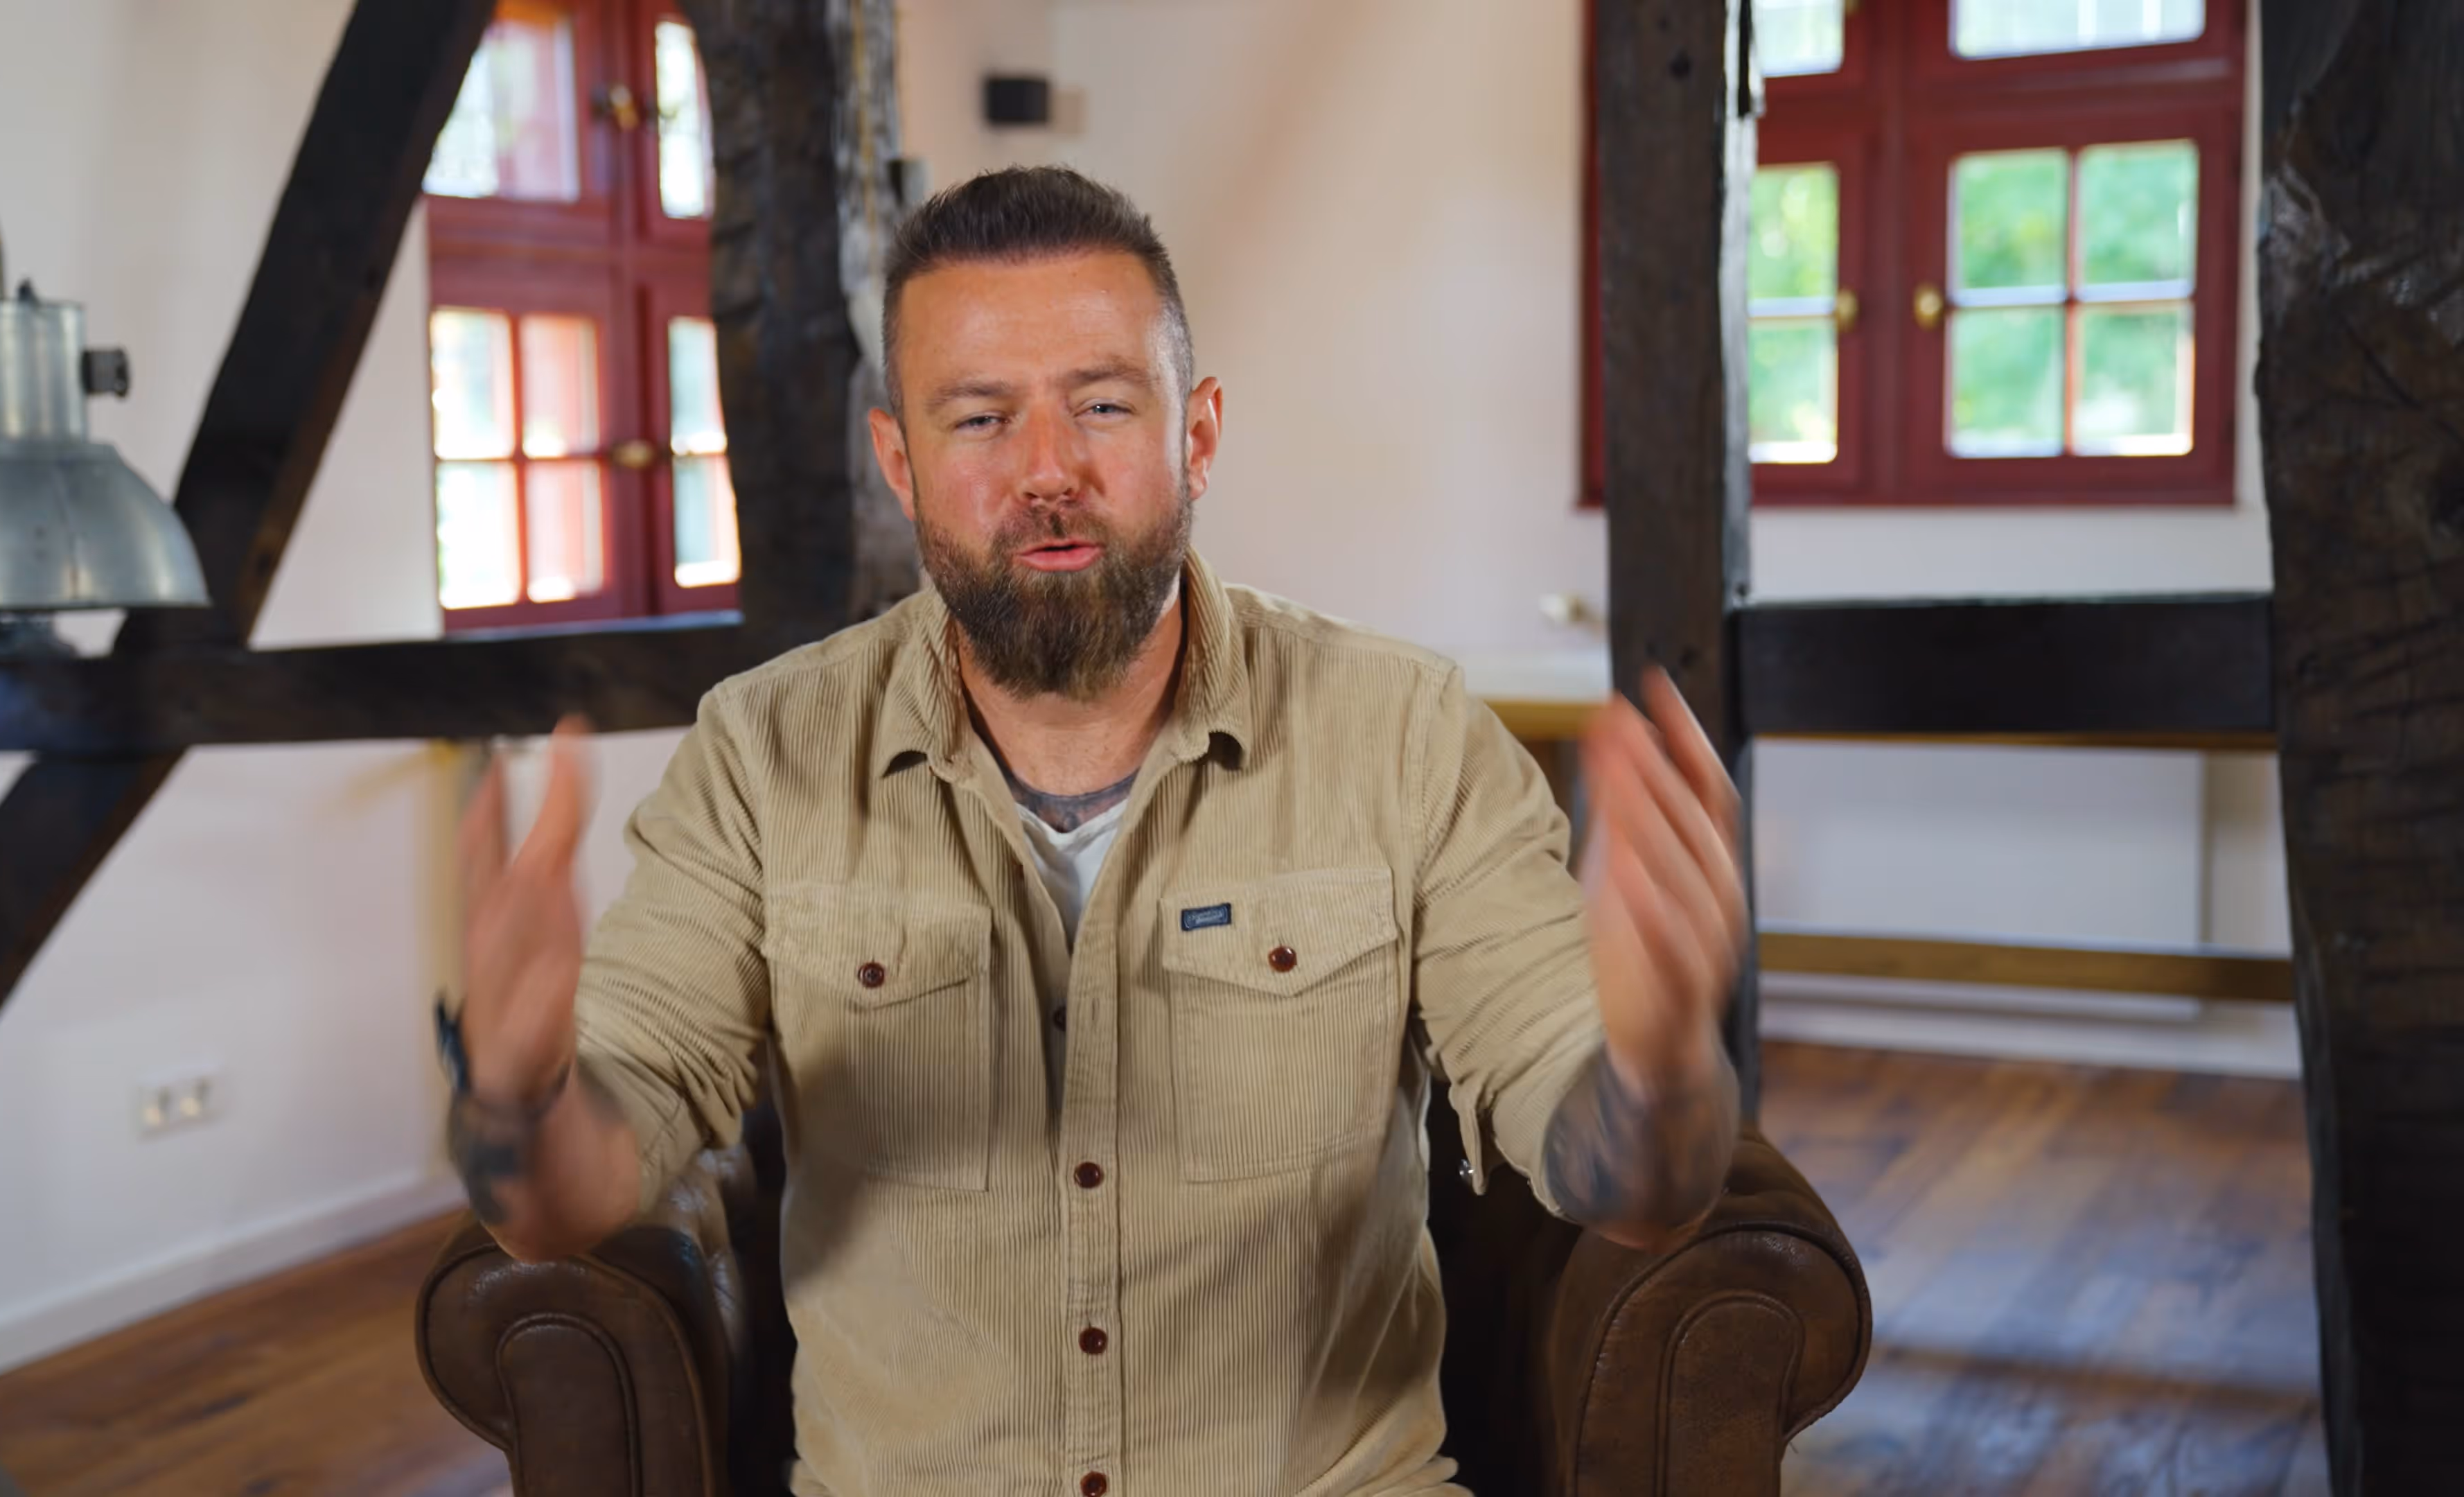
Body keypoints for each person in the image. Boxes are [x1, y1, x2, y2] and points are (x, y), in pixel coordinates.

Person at [439, 166, 1747, 1497]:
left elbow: (1626, 1175)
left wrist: (1659, 1072)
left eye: (1105, 406)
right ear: (899, 463)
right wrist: (520, 1093)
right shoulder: (761, 755)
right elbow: (567, 1194)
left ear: (1199, 433)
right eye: (980, 418)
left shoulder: (1407, 736)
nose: (1048, 472)